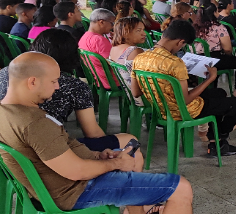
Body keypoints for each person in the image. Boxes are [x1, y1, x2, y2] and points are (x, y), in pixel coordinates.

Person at [0, 52, 228, 214]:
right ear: (32, 82)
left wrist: (100, 155)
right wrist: (115, 163)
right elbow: (75, 171)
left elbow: (61, 152)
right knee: (180, 188)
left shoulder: (8, 111)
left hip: (59, 185)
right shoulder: (33, 123)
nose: (57, 87)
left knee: (127, 155)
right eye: (53, 81)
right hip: (77, 189)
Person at [0, 29, 144, 158]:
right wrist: (108, 152)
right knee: (129, 141)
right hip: (45, 151)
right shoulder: (74, 86)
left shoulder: (9, 71)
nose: (55, 86)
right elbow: (92, 132)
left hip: (8, 147)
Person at [132, 20, 236, 157]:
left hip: (160, 109)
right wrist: (210, 79)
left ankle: (216, 141)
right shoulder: (175, 62)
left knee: (219, 93)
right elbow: (185, 100)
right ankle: (220, 138)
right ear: (180, 42)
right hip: (182, 111)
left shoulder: (140, 58)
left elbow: (136, 92)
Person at [192, 5, 236, 97]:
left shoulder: (195, 26)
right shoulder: (218, 26)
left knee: (221, 62)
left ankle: (212, 90)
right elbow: (228, 49)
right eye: (217, 11)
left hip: (196, 59)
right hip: (212, 59)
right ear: (214, 13)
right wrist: (228, 55)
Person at [109, 16, 146, 98]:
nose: (144, 33)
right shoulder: (134, 51)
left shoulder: (114, 48)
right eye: (138, 31)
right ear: (126, 33)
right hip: (141, 98)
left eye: (143, 30)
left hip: (127, 94)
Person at [78, 8, 115, 89]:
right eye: (112, 23)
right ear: (101, 22)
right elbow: (114, 63)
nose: (113, 27)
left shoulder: (84, 37)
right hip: (111, 82)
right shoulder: (100, 40)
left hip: (96, 80)